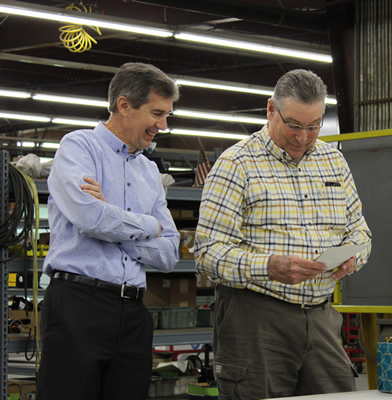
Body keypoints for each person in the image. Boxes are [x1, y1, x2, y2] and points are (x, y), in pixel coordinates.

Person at [195, 69, 372, 399]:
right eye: (293, 125)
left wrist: (353, 255)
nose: (303, 137)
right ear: (271, 110)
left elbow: (360, 231)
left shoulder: (333, 161)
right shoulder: (237, 164)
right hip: (256, 319)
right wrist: (269, 267)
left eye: (314, 126)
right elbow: (207, 253)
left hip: (321, 317)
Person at [38, 62, 180, 400]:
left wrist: (113, 220)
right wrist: (149, 225)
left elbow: (170, 253)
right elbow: (90, 219)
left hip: (133, 313)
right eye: (156, 113)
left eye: (167, 116)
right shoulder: (79, 148)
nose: (163, 125)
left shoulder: (149, 171)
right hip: (77, 305)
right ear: (124, 105)